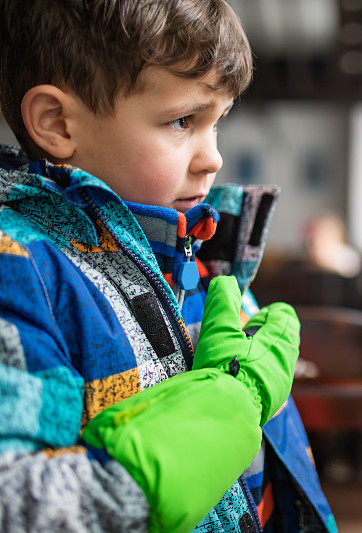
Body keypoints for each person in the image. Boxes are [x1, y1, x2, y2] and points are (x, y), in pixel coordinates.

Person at [0, 1, 335, 531]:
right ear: (57, 123)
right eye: (182, 120)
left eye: (217, 122)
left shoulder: (196, 250)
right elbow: (18, 505)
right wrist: (200, 427)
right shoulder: (20, 271)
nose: (214, 158)